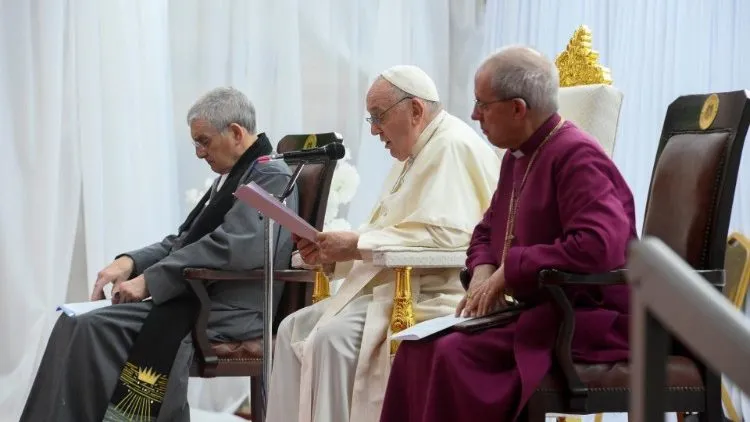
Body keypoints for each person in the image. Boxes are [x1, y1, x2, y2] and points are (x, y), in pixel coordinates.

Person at [378, 46, 637, 422]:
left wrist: (509, 272)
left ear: (518, 108)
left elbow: (599, 246)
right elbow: (485, 231)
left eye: (483, 104)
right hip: (540, 311)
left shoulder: (577, 156)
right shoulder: (517, 157)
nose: (473, 114)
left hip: (585, 319)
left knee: (454, 356)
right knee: (417, 349)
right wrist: (484, 270)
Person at [20, 87, 297, 422]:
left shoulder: (270, 174)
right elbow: (182, 240)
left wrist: (151, 280)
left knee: (92, 327)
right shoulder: (237, 175)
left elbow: (234, 247)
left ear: (236, 133)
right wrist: (131, 262)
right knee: (72, 321)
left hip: (225, 307)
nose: (199, 153)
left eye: (204, 141)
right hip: (196, 294)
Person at [265, 65, 502, 422]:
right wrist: (333, 256)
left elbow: (450, 238)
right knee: (289, 329)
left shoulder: (452, 146)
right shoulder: (416, 153)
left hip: (435, 292)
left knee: (330, 339)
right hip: (393, 285)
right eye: (370, 119)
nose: (375, 130)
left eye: (379, 117)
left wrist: (355, 245)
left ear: (416, 111)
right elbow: (395, 233)